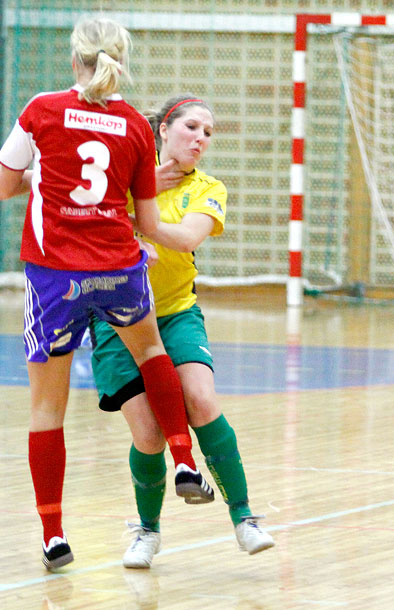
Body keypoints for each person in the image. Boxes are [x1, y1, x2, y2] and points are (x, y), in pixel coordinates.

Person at [0, 17, 212, 572]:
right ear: (121, 59)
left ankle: (53, 537)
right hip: (118, 265)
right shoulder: (137, 127)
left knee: (48, 407)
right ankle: (184, 460)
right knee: (152, 352)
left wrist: (42, 175)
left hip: (55, 274)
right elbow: (143, 218)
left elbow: (2, 188)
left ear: (75, 59)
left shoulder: (41, 109)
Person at [89, 94, 275, 569]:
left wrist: (134, 220)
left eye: (209, 133)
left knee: (202, 401)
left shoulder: (208, 187)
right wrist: (137, 196)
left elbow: (186, 238)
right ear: (164, 129)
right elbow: (88, 221)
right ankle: (147, 531)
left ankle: (244, 517)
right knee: (149, 435)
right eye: (192, 127)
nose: (201, 139)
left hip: (174, 312)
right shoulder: (124, 175)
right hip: (115, 319)